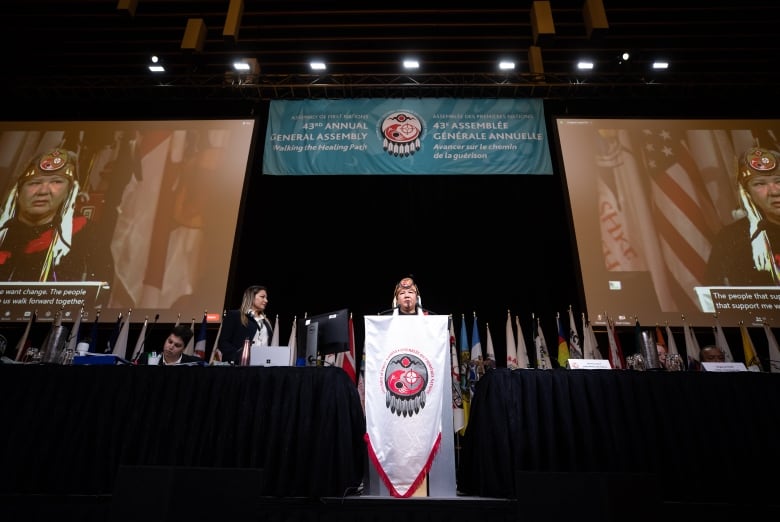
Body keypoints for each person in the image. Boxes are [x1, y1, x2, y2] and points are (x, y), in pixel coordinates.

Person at [0, 147, 111, 282]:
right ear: (18, 191)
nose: (43, 191)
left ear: (69, 192)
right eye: (34, 183)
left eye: (56, 182)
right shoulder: (3, 233)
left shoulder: (88, 236)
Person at [707, 146, 780, 285]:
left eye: (779, 181)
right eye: (760, 184)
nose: (774, 191)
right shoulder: (731, 239)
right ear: (747, 193)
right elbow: (716, 297)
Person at [218, 285, 273, 364]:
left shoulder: (267, 322)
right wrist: (238, 356)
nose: (266, 300)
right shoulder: (235, 315)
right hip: (240, 367)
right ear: (251, 297)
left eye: (266, 298)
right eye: (262, 297)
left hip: (262, 366)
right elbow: (223, 342)